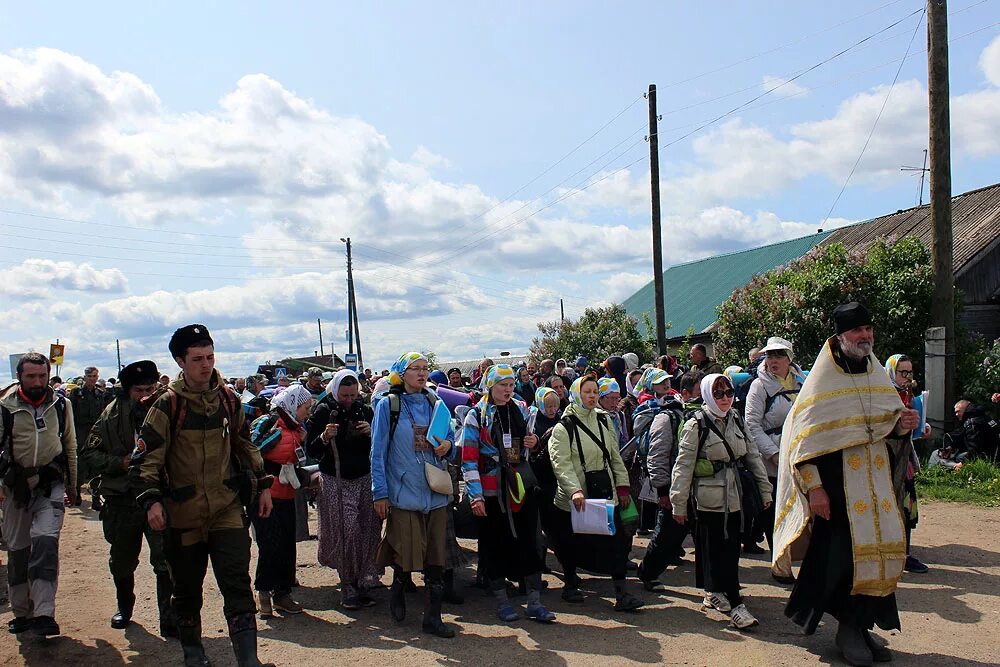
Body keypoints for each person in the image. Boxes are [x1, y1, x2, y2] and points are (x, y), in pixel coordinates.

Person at [773, 302, 919, 666]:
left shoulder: (874, 372)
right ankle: (847, 629)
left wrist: (902, 427)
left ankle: (861, 623)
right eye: (858, 331)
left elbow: (886, 428)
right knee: (841, 562)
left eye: (869, 329)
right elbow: (801, 444)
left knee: (880, 556)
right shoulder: (823, 381)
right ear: (841, 336)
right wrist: (815, 489)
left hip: (875, 487)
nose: (866, 337)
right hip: (837, 492)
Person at [131, 324, 275, 667]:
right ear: (180, 361)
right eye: (197, 359)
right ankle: (194, 654)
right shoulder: (167, 405)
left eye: (210, 357)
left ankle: (248, 660)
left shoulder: (228, 399)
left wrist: (263, 485)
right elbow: (145, 460)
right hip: (184, 513)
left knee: (237, 583)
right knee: (187, 590)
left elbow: (244, 443)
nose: (206, 364)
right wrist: (151, 501)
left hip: (225, 507)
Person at [79, 360, 176, 635]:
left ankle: (168, 618)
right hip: (123, 499)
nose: (145, 395)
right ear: (127, 390)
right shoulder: (110, 416)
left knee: (165, 559)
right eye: (138, 391)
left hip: (160, 496)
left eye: (150, 388)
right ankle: (125, 606)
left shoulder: (169, 410)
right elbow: (89, 454)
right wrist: (118, 463)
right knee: (121, 559)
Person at [670, 374, 772, 629]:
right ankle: (735, 603)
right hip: (710, 500)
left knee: (730, 550)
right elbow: (683, 466)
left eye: (728, 392)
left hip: (736, 497)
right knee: (716, 550)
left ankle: (718, 591)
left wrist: (765, 491)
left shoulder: (736, 419)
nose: (725, 398)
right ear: (706, 395)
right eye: (718, 394)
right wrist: (678, 504)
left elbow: (753, 456)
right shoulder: (697, 424)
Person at [370, 352, 457, 638]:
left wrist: (448, 446)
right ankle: (398, 587)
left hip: (435, 491)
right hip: (404, 490)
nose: (421, 374)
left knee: (435, 556)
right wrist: (379, 492)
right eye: (415, 369)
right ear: (401, 374)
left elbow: (450, 437)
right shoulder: (388, 406)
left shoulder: (436, 403)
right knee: (406, 550)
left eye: (425, 369)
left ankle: (432, 618)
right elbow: (378, 452)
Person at [461, 365, 555, 623]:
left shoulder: (522, 409)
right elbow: (468, 459)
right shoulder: (477, 415)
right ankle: (502, 601)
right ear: (490, 385)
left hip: (521, 488)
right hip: (492, 492)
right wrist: (476, 496)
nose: (508, 389)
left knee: (530, 541)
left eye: (511, 384)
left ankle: (534, 602)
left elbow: (527, 449)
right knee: (495, 544)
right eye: (503, 385)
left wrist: (532, 444)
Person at [547, 376, 644, 612]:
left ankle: (621, 594)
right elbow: (561, 463)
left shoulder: (603, 420)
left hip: (604, 493)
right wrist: (574, 491)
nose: (591, 396)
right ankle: (570, 584)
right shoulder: (563, 427)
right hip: (574, 499)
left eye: (594, 391)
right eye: (586, 392)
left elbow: (614, 456)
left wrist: (622, 488)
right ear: (576, 394)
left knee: (617, 542)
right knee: (570, 543)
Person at [0, 352, 77, 637]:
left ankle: (45, 613)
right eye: (31, 376)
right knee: (19, 551)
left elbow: (69, 445)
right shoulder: (4, 407)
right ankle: (21, 612)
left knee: (45, 545)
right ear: (19, 376)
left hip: (50, 485)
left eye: (42, 375)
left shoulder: (61, 405)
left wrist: (72, 486)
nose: (37, 381)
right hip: (14, 488)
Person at [306, 369, 383, 610]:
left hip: (365, 477)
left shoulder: (365, 410)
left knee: (369, 528)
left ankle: (365, 580)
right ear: (335, 389)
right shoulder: (323, 411)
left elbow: (381, 443)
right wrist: (324, 437)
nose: (348, 399)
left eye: (352, 394)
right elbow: (312, 450)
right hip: (336, 479)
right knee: (347, 530)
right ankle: (348, 581)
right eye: (344, 394)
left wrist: (371, 432)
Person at [743, 337, 806, 566]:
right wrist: (773, 454)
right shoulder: (759, 386)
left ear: (789, 358)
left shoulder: (803, 382)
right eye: (769, 355)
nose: (773, 360)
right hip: (771, 458)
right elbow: (751, 425)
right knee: (772, 508)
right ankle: (779, 559)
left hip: (798, 453)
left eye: (779, 355)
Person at [252, 384, 312, 619]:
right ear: (293, 406)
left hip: (286, 495)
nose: (308, 412)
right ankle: (264, 592)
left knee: (287, 543)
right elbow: (253, 455)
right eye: (305, 408)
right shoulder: (269, 424)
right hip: (265, 496)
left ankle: (282, 593)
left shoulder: (296, 428)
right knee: (269, 544)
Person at [885, 354, 929, 574]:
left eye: (910, 372)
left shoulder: (908, 395)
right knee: (891, 505)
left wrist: (923, 427)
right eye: (903, 372)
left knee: (907, 504)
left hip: (905, 459)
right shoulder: (883, 395)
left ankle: (905, 554)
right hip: (887, 459)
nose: (908, 377)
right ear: (892, 372)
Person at [70, 365, 110, 508]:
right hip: (80, 431)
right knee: (80, 465)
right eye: (90, 376)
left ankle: (95, 497)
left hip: (95, 433)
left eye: (95, 376)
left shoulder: (100, 393)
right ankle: (76, 493)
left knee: (96, 466)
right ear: (85, 377)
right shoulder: (76, 393)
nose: (92, 379)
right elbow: (71, 414)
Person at [947, 399, 999, 463]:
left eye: (958, 411)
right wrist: (952, 446)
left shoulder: (972, 422)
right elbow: (965, 436)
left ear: (964, 408)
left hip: (987, 458)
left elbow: (974, 449)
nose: (956, 414)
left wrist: (962, 463)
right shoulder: (983, 416)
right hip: (993, 454)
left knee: (958, 457)